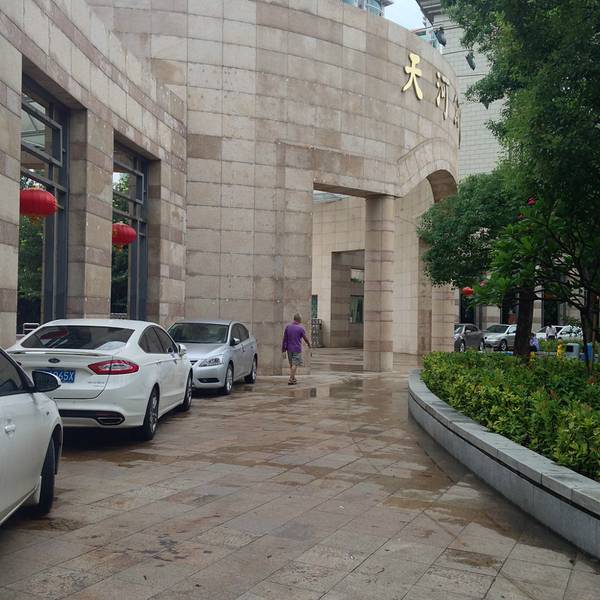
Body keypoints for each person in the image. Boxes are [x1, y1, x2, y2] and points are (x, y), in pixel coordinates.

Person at [281, 313, 311, 385]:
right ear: (299, 319)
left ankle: (293, 378)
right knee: (295, 364)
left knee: (291, 365)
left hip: (289, 349)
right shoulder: (300, 328)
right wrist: (309, 344)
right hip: (297, 349)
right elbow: (305, 338)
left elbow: (284, 339)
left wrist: (283, 350)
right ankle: (291, 379)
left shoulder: (288, 327)